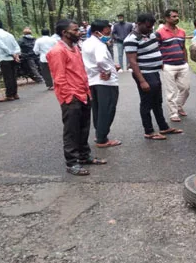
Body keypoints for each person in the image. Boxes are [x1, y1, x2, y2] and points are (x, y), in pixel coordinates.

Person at [46, 19, 106, 176]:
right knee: (71, 131)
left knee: (83, 128)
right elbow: (59, 78)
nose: (79, 32)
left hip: (83, 94)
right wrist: (68, 97)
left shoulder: (75, 48)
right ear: (64, 33)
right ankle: (72, 163)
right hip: (71, 97)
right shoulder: (57, 51)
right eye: (75, 30)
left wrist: (87, 91)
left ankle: (84, 156)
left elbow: (80, 71)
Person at [124, 13, 182, 140]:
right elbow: (133, 62)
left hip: (154, 72)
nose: (151, 29)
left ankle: (163, 127)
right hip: (144, 74)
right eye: (148, 26)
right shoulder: (131, 39)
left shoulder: (150, 34)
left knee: (157, 101)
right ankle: (149, 131)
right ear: (138, 24)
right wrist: (142, 81)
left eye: (152, 27)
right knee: (147, 102)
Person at [81, 20, 122, 148]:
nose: (109, 32)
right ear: (99, 31)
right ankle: (102, 139)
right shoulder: (99, 44)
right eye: (107, 30)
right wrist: (108, 70)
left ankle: (99, 133)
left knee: (98, 109)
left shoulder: (86, 43)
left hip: (92, 80)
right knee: (107, 109)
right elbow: (100, 60)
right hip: (105, 82)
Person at [155, 9, 190, 122]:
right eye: (174, 16)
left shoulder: (182, 32)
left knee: (185, 89)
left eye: (177, 16)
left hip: (182, 64)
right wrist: (160, 63)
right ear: (167, 18)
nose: (176, 18)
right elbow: (156, 49)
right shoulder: (160, 32)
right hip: (168, 65)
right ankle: (173, 113)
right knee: (171, 91)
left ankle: (178, 105)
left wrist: (186, 61)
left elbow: (183, 47)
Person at [0, 20, 21, 102]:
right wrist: (16, 54)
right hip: (13, 58)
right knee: (13, 76)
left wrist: (11, 53)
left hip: (4, 58)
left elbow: (2, 46)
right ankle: (15, 93)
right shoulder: (9, 34)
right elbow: (16, 46)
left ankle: (9, 95)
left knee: (7, 77)